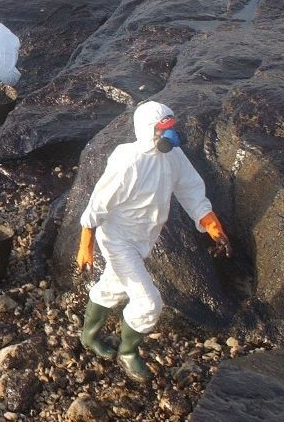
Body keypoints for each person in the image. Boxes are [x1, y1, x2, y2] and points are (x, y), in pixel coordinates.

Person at [76, 101, 232, 383]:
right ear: (148, 131)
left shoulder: (174, 157)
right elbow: (98, 203)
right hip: (118, 240)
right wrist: (85, 245)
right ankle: (128, 352)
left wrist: (213, 228)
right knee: (149, 303)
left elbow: (192, 190)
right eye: (164, 130)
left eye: (172, 129)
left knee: (113, 287)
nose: (170, 136)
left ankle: (88, 336)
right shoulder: (129, 162)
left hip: (143, 238)